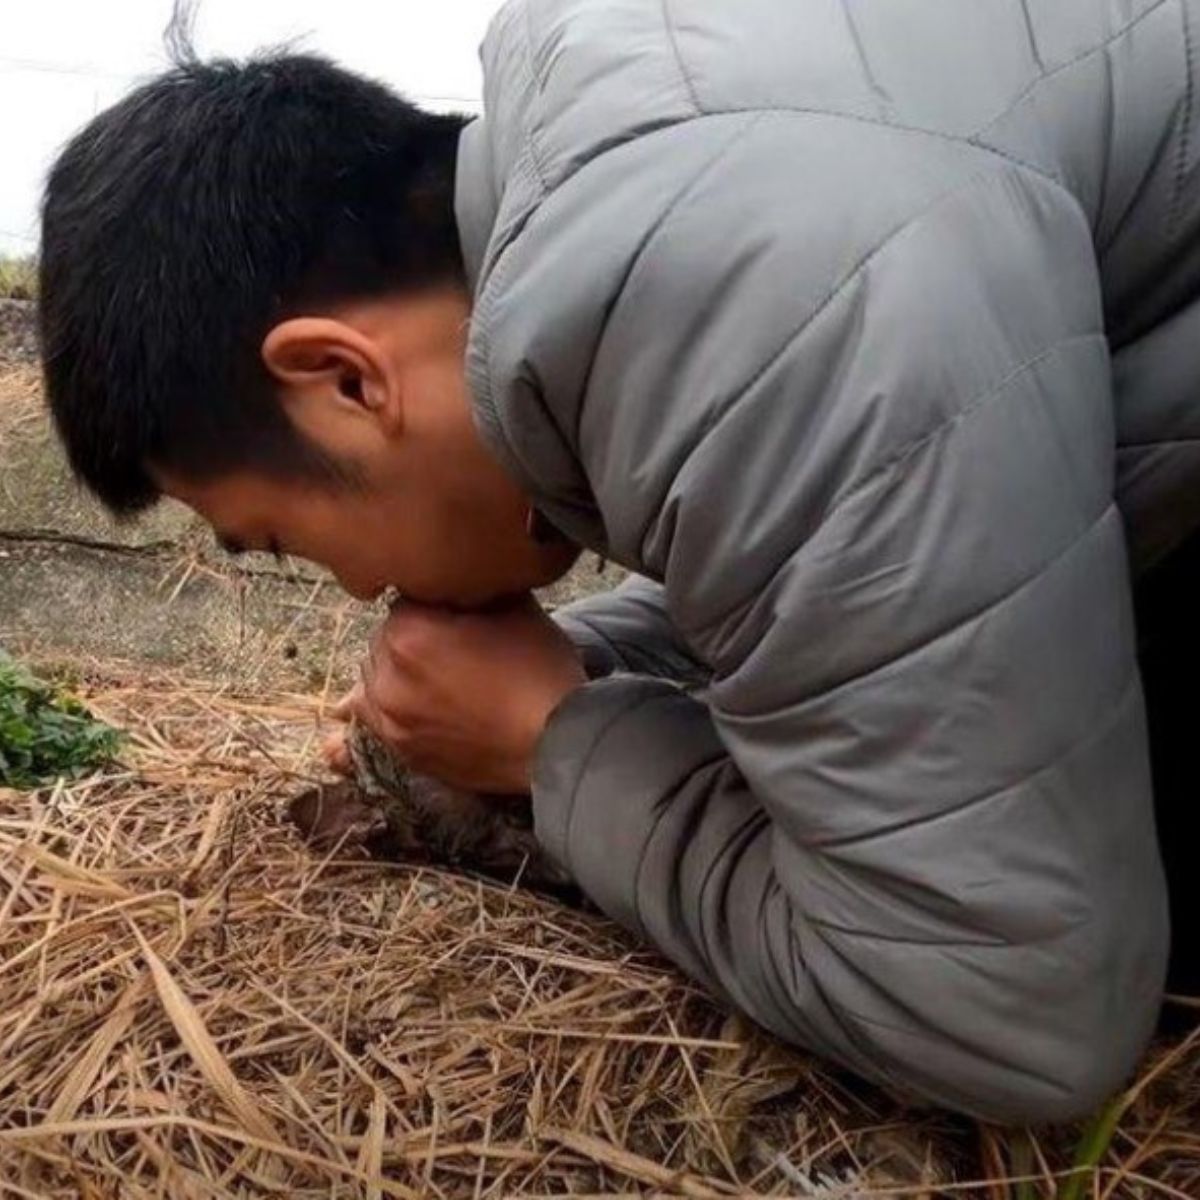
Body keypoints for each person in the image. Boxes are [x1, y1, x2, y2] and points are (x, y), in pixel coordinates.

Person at [38, 0, 1199, 1123]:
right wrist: (574, 661)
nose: (348, 589)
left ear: (346, 380)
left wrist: (556, 744)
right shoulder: (632, 133)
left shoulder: (729, 276)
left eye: (284, 539)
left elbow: (1012, 1009)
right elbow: (853, 535)